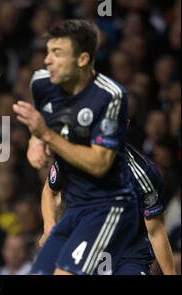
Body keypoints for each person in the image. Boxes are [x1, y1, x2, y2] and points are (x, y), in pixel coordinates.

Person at [13, 19, 139, 275]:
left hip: (108, 206)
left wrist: (45, 135)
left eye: (57, 53)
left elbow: (100, 163)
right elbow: (40, 118)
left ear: (82, 59)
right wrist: (34, 141)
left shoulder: (110, 97)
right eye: (48, 52)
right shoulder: (41, 82)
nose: (47, 60)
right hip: (74, 209)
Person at [39, 143, 176, 275]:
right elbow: (51, 191)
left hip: (127, 254)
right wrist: (49, 228)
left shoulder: (142, 173)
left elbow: (156, 232)